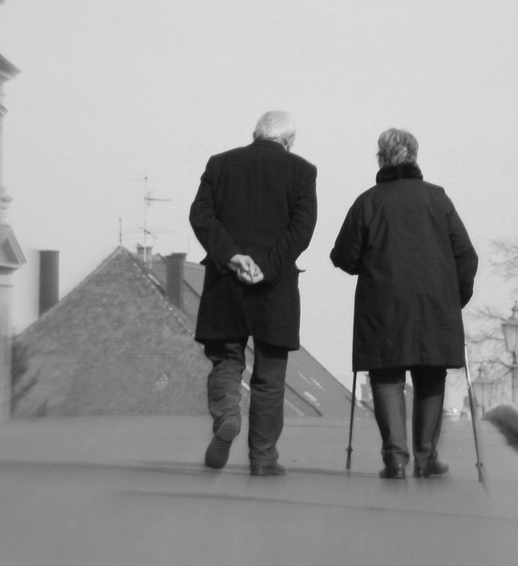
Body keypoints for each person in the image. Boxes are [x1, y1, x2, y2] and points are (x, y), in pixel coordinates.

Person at [330, 128, 477, 478]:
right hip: (434, 305)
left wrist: (368, 263)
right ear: (414, 156)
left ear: (381, 158)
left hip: (383, 304)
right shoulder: (438, 199)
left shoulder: (368, 201)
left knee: (386, 374)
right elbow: (466, 257)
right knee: (430, 374)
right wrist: (456, 298)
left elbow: (343, 256)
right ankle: (426, 458)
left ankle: (395, 458)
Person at [189, 110, 317, 476]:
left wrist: (233, 257)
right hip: (274, 290)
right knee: (270, 377)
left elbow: (201, 216)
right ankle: (263, 460)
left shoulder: (220, 164)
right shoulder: (302, 172)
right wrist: (267, 268)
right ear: (289, 141)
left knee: (226, 361)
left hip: (225, 284)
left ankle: (227, 415)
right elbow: (301, 229)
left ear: (255, 133)